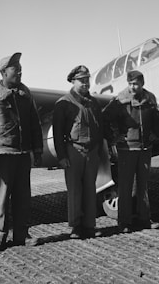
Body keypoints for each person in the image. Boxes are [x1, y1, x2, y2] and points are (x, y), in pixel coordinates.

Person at [0, 53, 43, 252]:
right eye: (15, 68)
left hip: (22, 156)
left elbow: (35, 125)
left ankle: (21, 235)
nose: (20, 71)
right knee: (1, 199)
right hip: (2, 156)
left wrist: (37, 150)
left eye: (20, 67)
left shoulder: (25, 96)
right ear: (4, 72)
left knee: (23, 198)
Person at [102, 70, 159, 233]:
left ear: (142, 83)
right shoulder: (120, 100)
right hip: (126, 149)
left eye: (135, 84)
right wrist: (114, 137)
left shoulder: (150, 99)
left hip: (144, 148)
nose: (132, 87)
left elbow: (157, 119)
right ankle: (124, 222)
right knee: (125, 186)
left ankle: (144, 218)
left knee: (143, 186)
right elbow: (104, 117)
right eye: (130, 84)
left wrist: (155, 134)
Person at [52, 65, 103, 239]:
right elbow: (58, 133)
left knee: (90, 189)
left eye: (87, 80)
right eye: (81, 80)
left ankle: (89, 225)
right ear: (73, 81)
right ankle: (75, 227)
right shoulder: (63, 103)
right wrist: (62, 157)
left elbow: (100, 127)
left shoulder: (94, 103)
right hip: (74, 150)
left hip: (92, 151)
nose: (85, 84)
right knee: (74, 190)